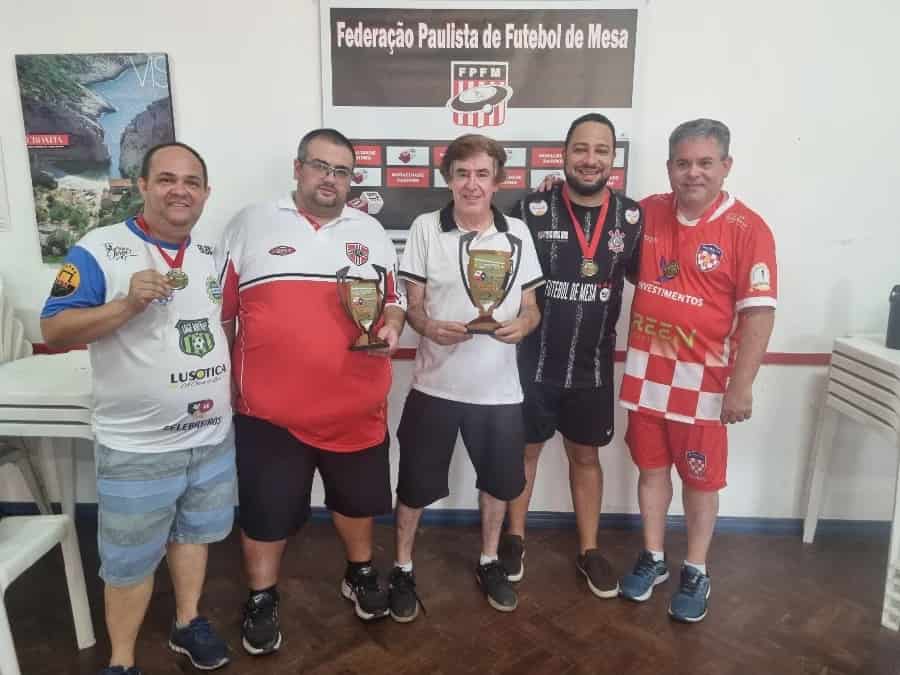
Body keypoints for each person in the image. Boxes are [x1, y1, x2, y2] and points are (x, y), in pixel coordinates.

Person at [41, 142, 234, 675]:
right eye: (167, 179)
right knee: (128, 562)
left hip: (209, 436)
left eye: (191, 182)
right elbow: (54, 330)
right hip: (137, 444)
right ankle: (122, 661)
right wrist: (126, 304)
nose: (180, 191)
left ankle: (186, 624)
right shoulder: (100, 248)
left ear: (206, 193)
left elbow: (220, 326)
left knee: (193, 536)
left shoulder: (211, 252)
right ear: (143, 185)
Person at [217, 128, 406, 655]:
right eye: (321, 166)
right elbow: (223, 316)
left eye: (341, 171)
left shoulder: (370, 231)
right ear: (298, 168)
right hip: (269, 413)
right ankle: (261, 596)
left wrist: (391, 326)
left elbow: (394, 301)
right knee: (265, 515)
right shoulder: (250, 224)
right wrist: (222, 386)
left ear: (351, 180)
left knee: (356, 503)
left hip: (356, 407)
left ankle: (359, 572)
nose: (330, 178)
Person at [617, 119, 777, 622]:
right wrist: (555, 190)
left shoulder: (748, 229)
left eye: (705, 163)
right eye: (683, 163)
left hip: (704, 386)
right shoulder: (646, 212)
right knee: (651, 471)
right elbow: (597, 224)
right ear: (669, 167)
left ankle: (696, 568)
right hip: (645, 374)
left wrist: (741, 386)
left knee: (701, 482)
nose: (693, 173)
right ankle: (653, 557)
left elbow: (759, 313)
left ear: (726, 166)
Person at [388, 133, 544, 622]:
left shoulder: (518, 232)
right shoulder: (425, 228)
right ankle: (402, 566)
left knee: (498, 484)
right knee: (413, 485)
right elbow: (412, 306)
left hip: (499, 392)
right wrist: (428, 326)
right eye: (462, 174)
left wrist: (525, 325)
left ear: (498, 181)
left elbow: (533, 306)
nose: (471, 184)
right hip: (434, 386)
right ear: (448, 179)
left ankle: (489, 560)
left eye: (481, 174)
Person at [501, 113, 643, 598]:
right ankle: (514, 538)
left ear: (613, 158)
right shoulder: (531, 208)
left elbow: (645, 279)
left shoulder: (632, 218)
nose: (590, 159)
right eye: (580, 148)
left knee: (586, 457)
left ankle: (589, 549)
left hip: (593, 367)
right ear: (563, 155)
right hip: (533, 363)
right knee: (525, 452)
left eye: (601, 150)